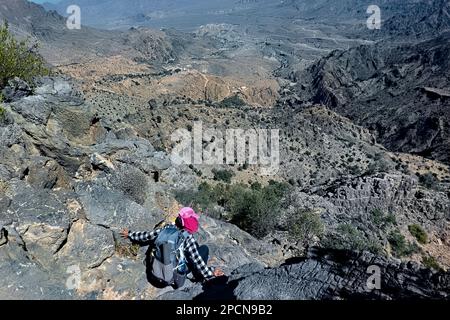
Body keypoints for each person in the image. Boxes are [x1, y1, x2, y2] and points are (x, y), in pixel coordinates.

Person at [120, 207, 224, 288]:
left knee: (190, 248)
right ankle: (197, 276)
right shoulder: (188, 238)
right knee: (204, 249)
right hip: (173, 277)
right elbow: (197, 260)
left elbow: (146, 235)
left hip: (154, 274)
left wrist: (130, 234)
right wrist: (211, 272)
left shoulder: (165, 229)